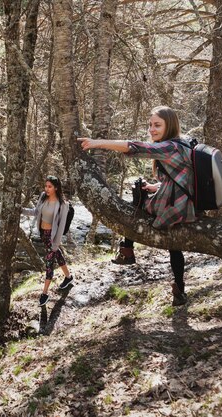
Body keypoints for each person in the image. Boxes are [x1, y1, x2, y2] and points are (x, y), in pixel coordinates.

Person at [77, 106, 196, 306]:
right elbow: (182, 179)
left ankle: (127, 249)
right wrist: (155, 186)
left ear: (170, 125)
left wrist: (98, 143)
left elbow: (136, 147)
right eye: (150, 125)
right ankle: (179, 289)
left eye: (157, 125)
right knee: (173, 245)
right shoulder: (182, 143)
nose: (152, 129)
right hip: (183, 202)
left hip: (175, 206)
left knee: (137, 193)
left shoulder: (170, 147)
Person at [22, 175, 75, 306]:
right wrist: (21, 210)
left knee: (49, 262)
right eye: (46, 186)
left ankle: (44, 294)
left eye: (50, 186)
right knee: (57, 255)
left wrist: (56, 243)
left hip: (52, 236)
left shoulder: (62, 205)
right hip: (43, 234)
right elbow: (35, 212)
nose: (47, 189)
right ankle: (68, 277)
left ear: (56, 188)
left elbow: (61, 225)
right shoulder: (43, 197)